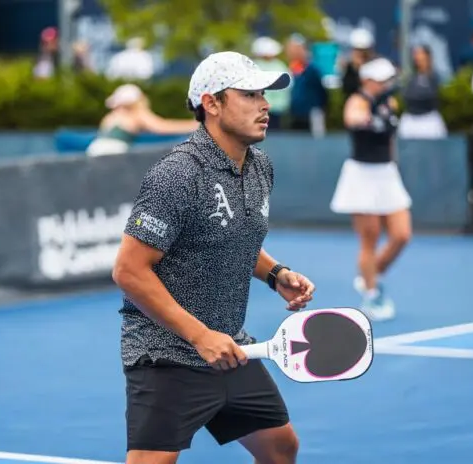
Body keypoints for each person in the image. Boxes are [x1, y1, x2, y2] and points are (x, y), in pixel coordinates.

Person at [112, 51, 317, 464]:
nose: (264, 105)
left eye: (265, 94)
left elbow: (230, 234)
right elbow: (129, 270)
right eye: (249, 94)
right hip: (167, 355)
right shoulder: (177, 174)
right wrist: (199, 336)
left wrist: (275, 273)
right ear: (211, 103)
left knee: (281, 447)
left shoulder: (260, 167)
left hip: (231, 350)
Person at [329, 57, 411, 321]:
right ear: (368, 81)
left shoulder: (390, 101)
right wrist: (367, 118)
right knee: (370, 238)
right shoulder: (357, 101)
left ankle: (370, 276)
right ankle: (372, 293)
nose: (386, 84)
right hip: (361, 175)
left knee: (401, 234)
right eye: (381, 79)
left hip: (386, 173)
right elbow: (352, 119)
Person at [86, 84, 200, 157]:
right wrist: (196, 125)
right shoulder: (136, 114)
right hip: (113, 153)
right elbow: (162, 127)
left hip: (93, 151)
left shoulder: (110, 117)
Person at [398, 45, 447, 139]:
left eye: (420, 54)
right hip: (410, 119)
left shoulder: (435, 77)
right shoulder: (411, 78)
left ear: (428, 56)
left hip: (430, 119)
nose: (417, 57)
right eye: (415, 54)